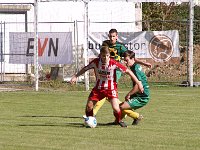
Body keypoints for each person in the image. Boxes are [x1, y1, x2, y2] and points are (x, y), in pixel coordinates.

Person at [71, 46, 144, 127]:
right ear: (100, 55)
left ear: (109, 55)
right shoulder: (95, 62)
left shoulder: (114, 63)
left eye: (107, 56)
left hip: (111, 89)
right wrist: (75, 76)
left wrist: (138, 82)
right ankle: (90, 120)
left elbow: (128, 71)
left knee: (116, 109)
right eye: (103, 56)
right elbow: (85, 68)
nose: (105, 58)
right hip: (98, 88)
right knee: (89, 106)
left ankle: (119, 120)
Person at [91, 28, 151, 117]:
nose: (112, 38)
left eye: (113, 36)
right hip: (106, 70)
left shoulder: (121, 47)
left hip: (116, 70)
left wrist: (144, 63)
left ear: (117, 37)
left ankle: (93, 113)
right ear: (108, 36)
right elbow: (101, 56)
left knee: (106, 90)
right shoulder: (105, 44)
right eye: (110, 36)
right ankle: (133, 115)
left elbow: (130, 57)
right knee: (107, 93)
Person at [120, 50, 150, 125]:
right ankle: (120, 120)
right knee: (122, 105)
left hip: (142, 97)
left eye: (127, 60)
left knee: (120, 107)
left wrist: (129, 94)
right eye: (124, 61)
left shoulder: (135, 69)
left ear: (132, 59)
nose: (125, 63)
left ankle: (137, 116)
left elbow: (138, 85)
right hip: (139, 95)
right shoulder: (135, 66)